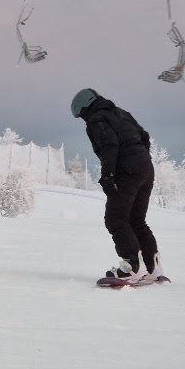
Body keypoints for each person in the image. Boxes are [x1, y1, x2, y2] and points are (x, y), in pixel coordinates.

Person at [70, 88, 165, 282]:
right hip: (146, 168)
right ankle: (152, 268)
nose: (84, 120)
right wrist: (139, 158)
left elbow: (109, 145)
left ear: (85, 107)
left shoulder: (97, 119)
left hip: (128, 171)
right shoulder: (121, 113)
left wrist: (108, 175)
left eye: (81, 116)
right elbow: (144, 136)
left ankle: (131, 267)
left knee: (115, 218)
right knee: (136, 219)